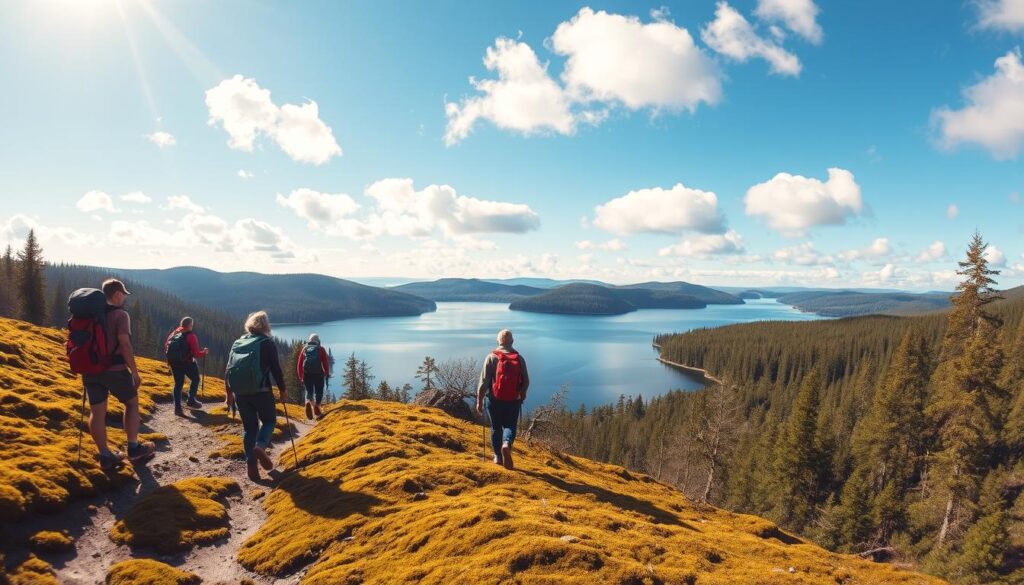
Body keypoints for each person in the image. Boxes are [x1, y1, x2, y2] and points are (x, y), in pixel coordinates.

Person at [82, 279, 155, 470]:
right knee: (131, 403)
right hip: (114, 370)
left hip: (90, 370)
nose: (124, 298)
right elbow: (124, 343)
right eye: (123, 294)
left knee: (97, 412)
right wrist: (135, 371)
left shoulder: (89, 314)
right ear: (116, 294)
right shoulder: (121, 315)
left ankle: (105, 455)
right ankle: (134, 448)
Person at [224, 310, 287, 481]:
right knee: (269, 421)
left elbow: (228, 369)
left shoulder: (238, 342)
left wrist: (228, 393)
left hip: (240, 394)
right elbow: (276, 370)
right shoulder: (266, 343)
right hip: (262, 392)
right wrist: (282, 390)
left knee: (249, 429)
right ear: (266, 325)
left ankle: (251, 467)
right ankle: (260, 446)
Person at [475, 329, 529, 470]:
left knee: (496, 428)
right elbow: (526, 381)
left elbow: (483, 383)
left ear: (498, 341)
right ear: (512, 341)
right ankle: (506, 444)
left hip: (494, 400)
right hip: (513, 400)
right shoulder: (519, 358)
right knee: (510, 426)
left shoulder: (492, 357)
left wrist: (479, 401)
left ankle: (498, 456)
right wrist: (522, 394)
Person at [165, 316, 210, 416]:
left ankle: (177, 408)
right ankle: (191, 400)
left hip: (174, 363)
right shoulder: (191, 336)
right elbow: (196, 354)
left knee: (178, 384)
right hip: (187, 363)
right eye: (192, 325)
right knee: (196, 379)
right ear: (190, 325)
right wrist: (204, 353)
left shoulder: (175, 333)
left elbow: (166, 346)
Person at [297, 333, 329, 420]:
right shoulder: (321, 349)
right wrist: (327, 372)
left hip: (307, 374)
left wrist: (300, 376)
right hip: (318, 374)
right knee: (319, 391)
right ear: (318, 341)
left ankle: (308, 402)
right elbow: (325, 362)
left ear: (309, 340)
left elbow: (299, 364)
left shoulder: (305, 349)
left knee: (309, 390)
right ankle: (317, 406)